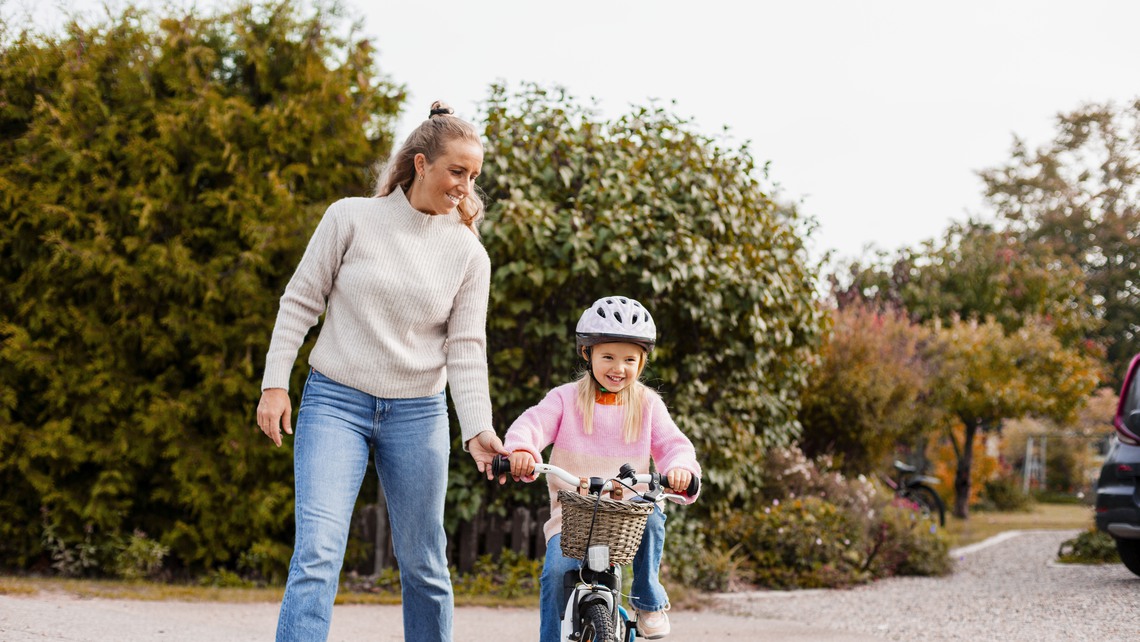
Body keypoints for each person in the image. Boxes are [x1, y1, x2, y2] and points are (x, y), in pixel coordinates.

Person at [255, 101, 508, 642]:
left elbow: (466, 348)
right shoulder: (350, 217)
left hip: (417, 413)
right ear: (421, 164)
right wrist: (275, 383)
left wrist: (479, 428)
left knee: (425, 564)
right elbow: (300, 300)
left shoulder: (468, 254)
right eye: (456, 171)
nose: (466, 186)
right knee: (318, 553)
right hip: (334, 402)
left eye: (473, 175)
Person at [503, 295, 701, 641]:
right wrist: (521, 449)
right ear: (587, 354)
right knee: (555, 574)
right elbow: (532, 424)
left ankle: (648, 601)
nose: (618, 367)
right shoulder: (565, 399)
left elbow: (674, 445)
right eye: (607, 356)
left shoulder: (648, 405)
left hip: (628, 517)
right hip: (573, 518)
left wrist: (681, 469)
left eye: (629, 359)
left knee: (653, 516)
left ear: (641, 362)